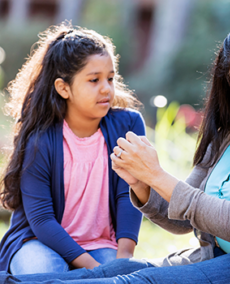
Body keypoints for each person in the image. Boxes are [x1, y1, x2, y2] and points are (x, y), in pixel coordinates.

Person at [3, 21, 230, 283]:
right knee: (123, 269)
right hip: (207, 256)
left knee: (129, 280)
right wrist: (141, 184)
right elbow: (181, 219)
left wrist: (158, 175)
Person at [0, 23, 145, 275]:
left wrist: (123, 260)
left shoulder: (129, 125)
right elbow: (42, 221)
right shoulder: (39, 140)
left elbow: (128, 195)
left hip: (100, 244)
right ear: (63, 88)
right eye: (94, 80)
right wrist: (95, 270)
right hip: (38, 243)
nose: (106, 88)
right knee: (46, 271)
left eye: (110, 78)